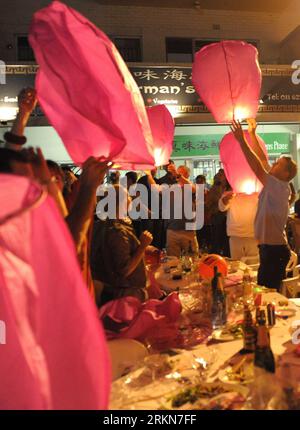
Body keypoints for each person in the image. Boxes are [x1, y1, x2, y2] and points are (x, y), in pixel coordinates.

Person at [231, 119, 297, 291]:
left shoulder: (278, 186)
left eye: (277, 164)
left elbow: (257, 166)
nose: (273, 164)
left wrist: (241, 140)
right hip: (271, 249)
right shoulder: (277, 183)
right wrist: (252, 134)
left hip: (274, 251)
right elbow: (261, 159)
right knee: (266, 292)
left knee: (268, 294)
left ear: (285, 173)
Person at [91, 185, 153, 304]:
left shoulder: (102, 224)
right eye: (128, 196)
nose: (131, 198)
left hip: (112, 291)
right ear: (123, 201)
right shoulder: (116, 230)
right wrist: (142, 246)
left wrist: (141, 246)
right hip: (125, 296)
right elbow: (124, 270)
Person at [164, 165, 199, 257]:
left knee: (192, 259)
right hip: (172, 229)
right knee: (172, 260)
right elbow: (155, 188)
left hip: (188, 231)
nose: (177, 175)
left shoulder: (191, 186)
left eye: (180, 173)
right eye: (176, 173)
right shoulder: (172, 187)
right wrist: (149, 175)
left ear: (187, 175)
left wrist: (176, 174)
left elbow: (191, 187)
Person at [219, 191, 259, 260]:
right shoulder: (230, 194)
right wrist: (226, 198)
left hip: (253, 235)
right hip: (235, 235)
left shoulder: (257, 193)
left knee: (253, 264)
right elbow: (222, 207)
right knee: (237, 265)